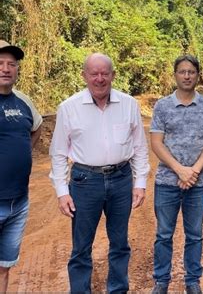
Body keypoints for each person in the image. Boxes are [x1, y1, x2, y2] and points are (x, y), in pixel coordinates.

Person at [49, 53, 150, 293]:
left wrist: (140, 182)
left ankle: (117, 289)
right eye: (94, 73)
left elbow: (139, 147)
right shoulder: (69, 107)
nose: (100, 78)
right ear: (84, 75)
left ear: (113, 75)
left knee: (119, 243)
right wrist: (62, 191)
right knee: (81, 247)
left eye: (105, 73)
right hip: (85, 181)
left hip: (121, 178)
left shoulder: (129, 104)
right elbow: (59, 152)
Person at [150, 54, 203, 294]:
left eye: (191, 72)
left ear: (197, 75)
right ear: (175, 74)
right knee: (163, 234)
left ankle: (192, 281)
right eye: (182, 71)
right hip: (167, 182)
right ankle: (161, 281)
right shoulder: (162, 105)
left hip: (197, 184)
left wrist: (194, 171)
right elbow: (157, 143)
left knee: (195, 235)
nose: (187, 76)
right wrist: (180, 170)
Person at [0, 40, 42, 292]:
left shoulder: (24, 101)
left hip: (19, 201)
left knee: (4, 266)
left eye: (11, 64)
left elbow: (36, 128)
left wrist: (23, 151)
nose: (6, 68)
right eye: (0, 63)